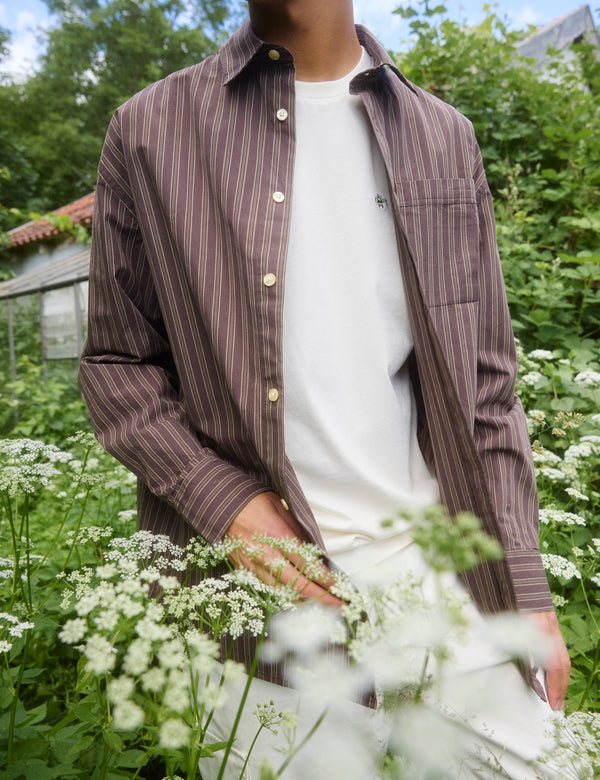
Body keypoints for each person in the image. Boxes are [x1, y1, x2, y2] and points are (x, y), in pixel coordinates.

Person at [78, 0, 571, 776]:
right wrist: (224, 503)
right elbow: (116, 364)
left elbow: (486, 387)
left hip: (453, 592)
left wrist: (526, 588)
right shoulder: (149, 131)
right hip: (265, 627)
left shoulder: (445, 137)